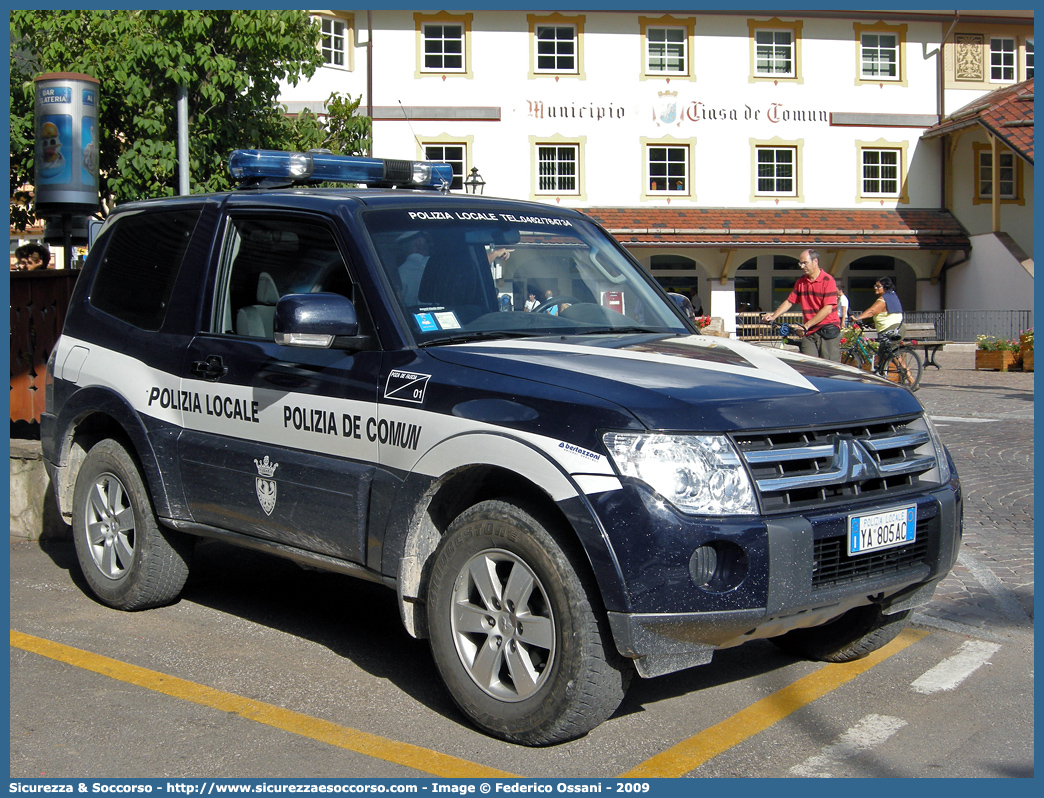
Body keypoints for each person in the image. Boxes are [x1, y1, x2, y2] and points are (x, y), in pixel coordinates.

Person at [762, 248, 842, 361]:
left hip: (827, 329)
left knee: (829, 367)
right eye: (801, 263)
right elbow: (790, 301)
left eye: (805, 263)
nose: (802, 266)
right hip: (809, 331)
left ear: (815, 261)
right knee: (809, 365)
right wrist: (773, 316)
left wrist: (806, 326)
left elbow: (827, 309)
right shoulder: (801, 281)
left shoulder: (828, 280)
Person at [397, 232, 430, 305]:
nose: (429, 245)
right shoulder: (437, 265)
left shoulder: (399, 272)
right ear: (419, 243)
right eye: (427, 241)